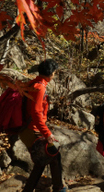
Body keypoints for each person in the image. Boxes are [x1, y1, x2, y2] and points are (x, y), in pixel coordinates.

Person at [19, 59, 67, 192]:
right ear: (50, 73)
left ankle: (57, 187)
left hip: (28, 129)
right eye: (54, 73)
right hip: (31, 130)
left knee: (47, 158)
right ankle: (58, 188)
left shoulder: (34, 83)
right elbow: (36, 112)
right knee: (48, 156)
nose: (54, 75)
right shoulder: (40, 88)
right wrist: (47, 133)